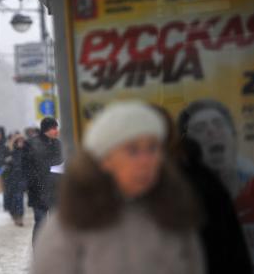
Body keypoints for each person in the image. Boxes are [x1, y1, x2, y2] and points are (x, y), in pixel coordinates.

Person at [32, 101, 204, 274]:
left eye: (153, 148)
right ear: (104, 159)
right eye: (132, 150)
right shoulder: (70, 224)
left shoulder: (175, 214)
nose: (146, 161)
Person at [178, 99, 254, 274]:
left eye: (218, 124)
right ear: (188, 147)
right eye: (200, 128)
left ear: (233, 137)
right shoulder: (179, 208)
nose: (211, 132)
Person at [22, 117, 62, 244]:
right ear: (47, 129)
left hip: (56, 190)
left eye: (57, 128)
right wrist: (35, 184)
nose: (57, 131)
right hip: (38, 191)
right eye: (54, 128)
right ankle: (39, 253)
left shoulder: (58, 144)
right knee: (41, 224)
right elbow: (27, 168)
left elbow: (61, 162)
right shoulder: (31, 144)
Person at [5, 134, 27, 227]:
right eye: (19, 141)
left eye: (22, 141)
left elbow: (28, 168)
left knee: (20, 199)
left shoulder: (26, 153)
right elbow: (6, 168)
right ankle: (14, 214)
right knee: (13, 199)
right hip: (12, 180)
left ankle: (19, 217)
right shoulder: (11, 153)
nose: (21, 143)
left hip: (21, 180)